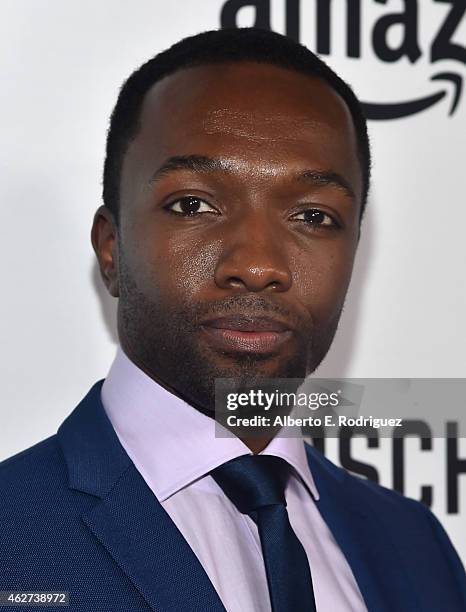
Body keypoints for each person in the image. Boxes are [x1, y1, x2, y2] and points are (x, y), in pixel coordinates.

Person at [0, 27, 464, 612]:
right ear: (111, 246)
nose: (258, 265)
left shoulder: (415, 545)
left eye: (314, 216)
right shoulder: (11, 539)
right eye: (193, 204)